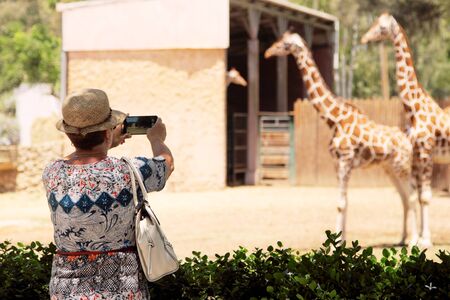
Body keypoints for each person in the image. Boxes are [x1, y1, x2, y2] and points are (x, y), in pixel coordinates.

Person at [42, 88, 174, 300]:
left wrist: (105, 140)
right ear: (106, 132)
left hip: (66, 291)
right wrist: (157, 139)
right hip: (123, 289)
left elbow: (80, 157)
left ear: (68, 134)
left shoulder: (53, 172)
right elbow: (166, 164)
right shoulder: (129, 170)